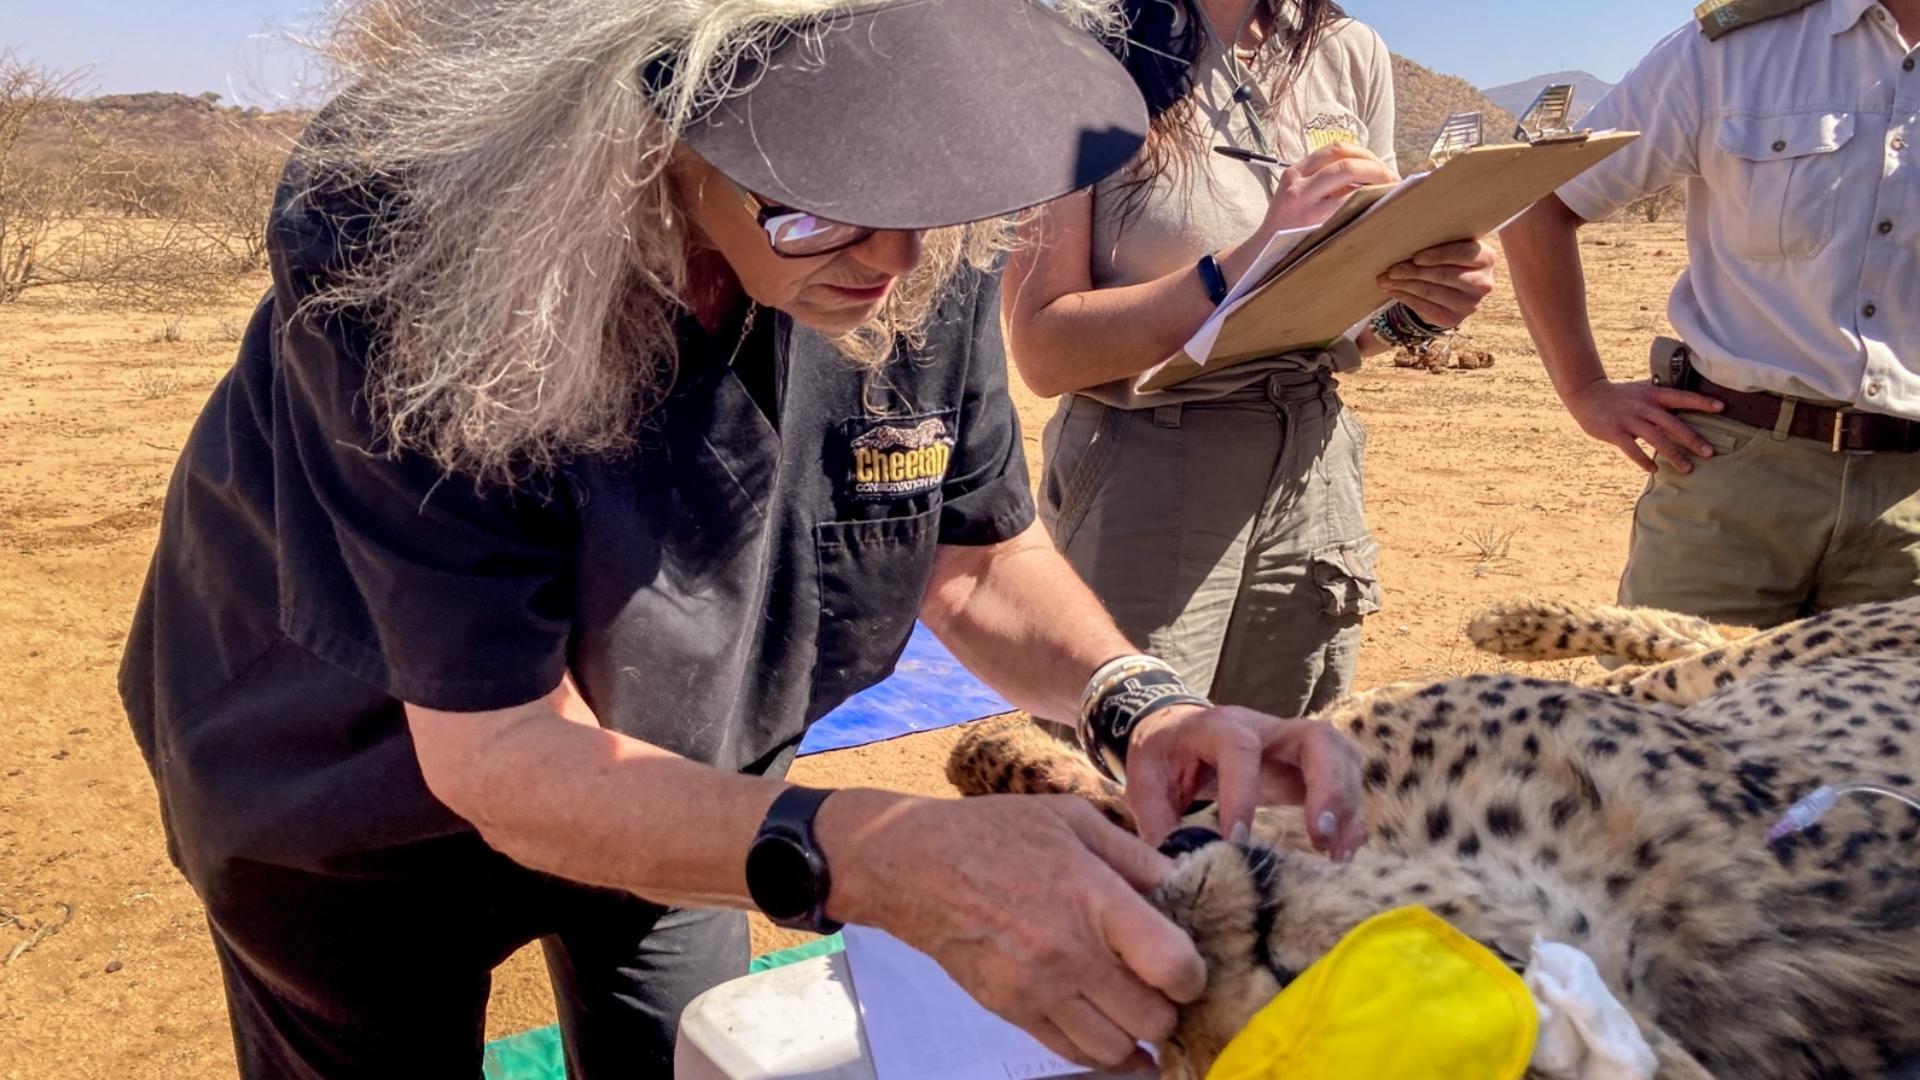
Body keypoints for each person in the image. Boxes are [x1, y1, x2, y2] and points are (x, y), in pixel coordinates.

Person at [116, 1, 1369, 1076]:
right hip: (350, 807)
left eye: (923, 189)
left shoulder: (905, 238)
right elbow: (498, 751)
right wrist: (888, 858)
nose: (894, 258)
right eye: (823, 200)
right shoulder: (411, 244)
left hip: (687, 773)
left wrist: (1137, 705)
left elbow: (975, 557)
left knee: (685, 1047)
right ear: (639, 125)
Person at [1002, 0, 1498, 718]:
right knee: (1125, 787)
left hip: (1313, 470)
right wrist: (1243, 264)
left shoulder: (1349, 52)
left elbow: (1355, 327)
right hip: (1147, 466)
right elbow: (1044, 350)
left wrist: (1416, 309)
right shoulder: (1078, 49)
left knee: (1281, 786)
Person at [1503, 0, 1920, 627]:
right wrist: (1586, 389)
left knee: (1886, 729)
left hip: (1909, 514)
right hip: (1729, 487)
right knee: (1667, 719)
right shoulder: (1731, 49)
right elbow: (1541, 203)